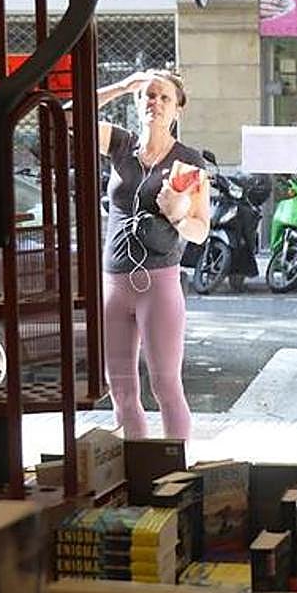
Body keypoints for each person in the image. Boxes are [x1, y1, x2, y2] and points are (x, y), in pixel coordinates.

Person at [95, 69, 210, 440]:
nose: (155, 103)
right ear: (137, 102)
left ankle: (175, 474)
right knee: (122, 391)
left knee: (165, 387)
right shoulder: (120, 146)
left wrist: (177, 212)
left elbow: (200, 229)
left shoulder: (187, 162)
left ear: (177, 110)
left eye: (164, 98)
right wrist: (123, 85)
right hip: (114, 284)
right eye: (148, 95)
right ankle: (135, 473)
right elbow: (67, 119)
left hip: (158, 285)